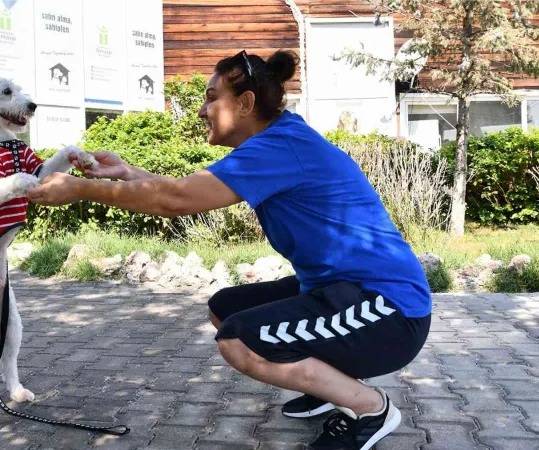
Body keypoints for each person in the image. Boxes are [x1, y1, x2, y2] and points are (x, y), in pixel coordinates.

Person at [27, 50, 431, 450]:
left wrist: (80, 188)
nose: (202, 110)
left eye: (210, 97)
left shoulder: (281, 147)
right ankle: (333, 386)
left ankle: (371, 409)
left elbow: (177, 200)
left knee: (241, 340)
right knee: (225, 308)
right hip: (344, 293)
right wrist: (128, 173)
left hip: (391, 312)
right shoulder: (277, 142)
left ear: (245, 103)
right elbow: (185, 192)